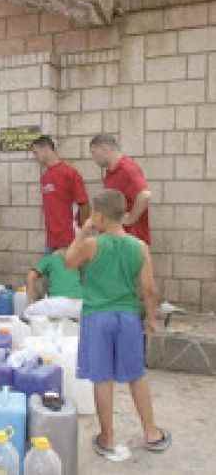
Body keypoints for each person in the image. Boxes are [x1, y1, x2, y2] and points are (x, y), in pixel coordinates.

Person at [65, 189, 171, 460]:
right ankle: (151, 432)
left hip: (97, 318)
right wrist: (150, 318)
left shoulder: (92, 244)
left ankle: (108, 438)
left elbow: (68, 261)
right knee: (136, 375)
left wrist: (82, 232)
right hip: (127, 317)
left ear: (98, 216)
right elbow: (149, 288)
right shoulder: (139, 246)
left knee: (103, 378)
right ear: (123, 214)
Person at [90, 134, 151, 244]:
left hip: (130, 241)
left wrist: (130, 219)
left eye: (94, 152)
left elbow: (144, 195)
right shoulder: (111, 171)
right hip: (116, 241)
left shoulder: (127, 168)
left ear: (105, 148)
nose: (93, 157)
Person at [31, 136, 89, 253]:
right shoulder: (45, 177)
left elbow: (84, 204)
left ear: (46, 149)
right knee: (45, 270)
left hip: (69, 241)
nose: (35, 157)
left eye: (35, 152)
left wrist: (82, 235)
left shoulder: (70, 173)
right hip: (51, 241)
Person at [25, 249, 83, 319]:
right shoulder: (77, 260)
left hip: (59, 303)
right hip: (80, 305)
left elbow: (30, 276)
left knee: (27, 313)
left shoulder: (49, 258)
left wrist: (31, 302)